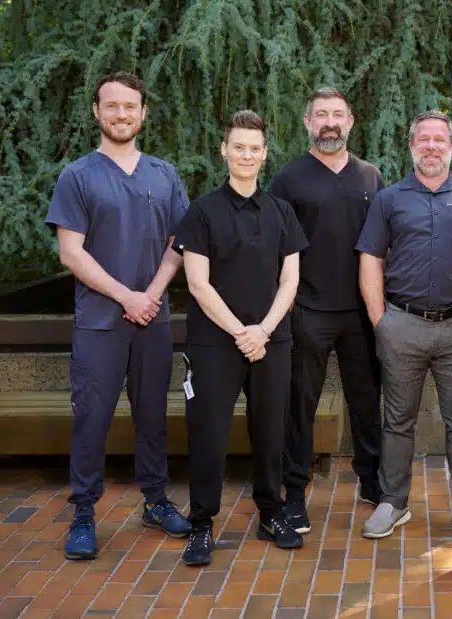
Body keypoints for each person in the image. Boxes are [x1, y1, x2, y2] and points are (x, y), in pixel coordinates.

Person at [46, 71, 192, 561]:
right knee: (91, 418)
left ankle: (154, 501)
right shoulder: (78, 176)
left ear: (144, 113)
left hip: (153, 318)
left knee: (153, 417)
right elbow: (71, 252)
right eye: (112, 106)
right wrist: (125, 296)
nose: (122, 114)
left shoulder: (164, 174)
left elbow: (180, 243)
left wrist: (148, 294)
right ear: (96, 112)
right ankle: (84, 513)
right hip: (101, 322)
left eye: (130, 106)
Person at [356, 111, 452, 540]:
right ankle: (393, 502)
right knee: (397, 419)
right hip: (402, 325)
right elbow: (370, 260)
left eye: (440, 140)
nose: (432, 146)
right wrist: (381, 321)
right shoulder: (390, 199)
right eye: (424, 139)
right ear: (412, 145)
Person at [174, 110, 309, 566]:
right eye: (239, 147)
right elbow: (197, 283)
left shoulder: (282, 212)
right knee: (208, 433)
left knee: (271, 430)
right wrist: (240, 332)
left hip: (272, 339)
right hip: (215, 343)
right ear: (224, 150)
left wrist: (263, 331)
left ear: (265, 154)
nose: (246, 155)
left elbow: (290, 281)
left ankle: (271, 513)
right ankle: (201, 523)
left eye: (255, 148)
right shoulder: (202, 211)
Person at [270, 87, 384, 535]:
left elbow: (382, 246)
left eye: (337, 114)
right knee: (300, 404)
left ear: (351, 121)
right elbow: (278, 250)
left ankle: (373, 482)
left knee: (367, 402)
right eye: (322, 115)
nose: (330, 122)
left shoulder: (371, 177)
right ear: (307, 122)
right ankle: (294, 492)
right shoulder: (288, 179)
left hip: (361, 312)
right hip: (308, 309)